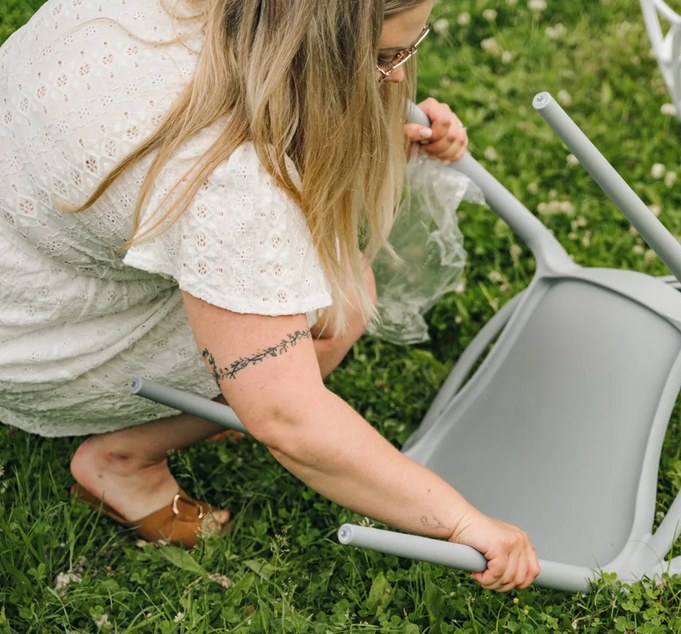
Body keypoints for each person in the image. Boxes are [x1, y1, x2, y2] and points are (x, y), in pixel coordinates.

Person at [0, 0, 540, 592]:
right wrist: (461, 521)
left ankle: (211, 403)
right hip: (28, 335)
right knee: (340, 306)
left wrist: (384, 128)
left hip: (29, 265)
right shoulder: (227, 178)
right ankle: (123, 461)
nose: (396, 77)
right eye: (386, 57)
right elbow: (288, 417)